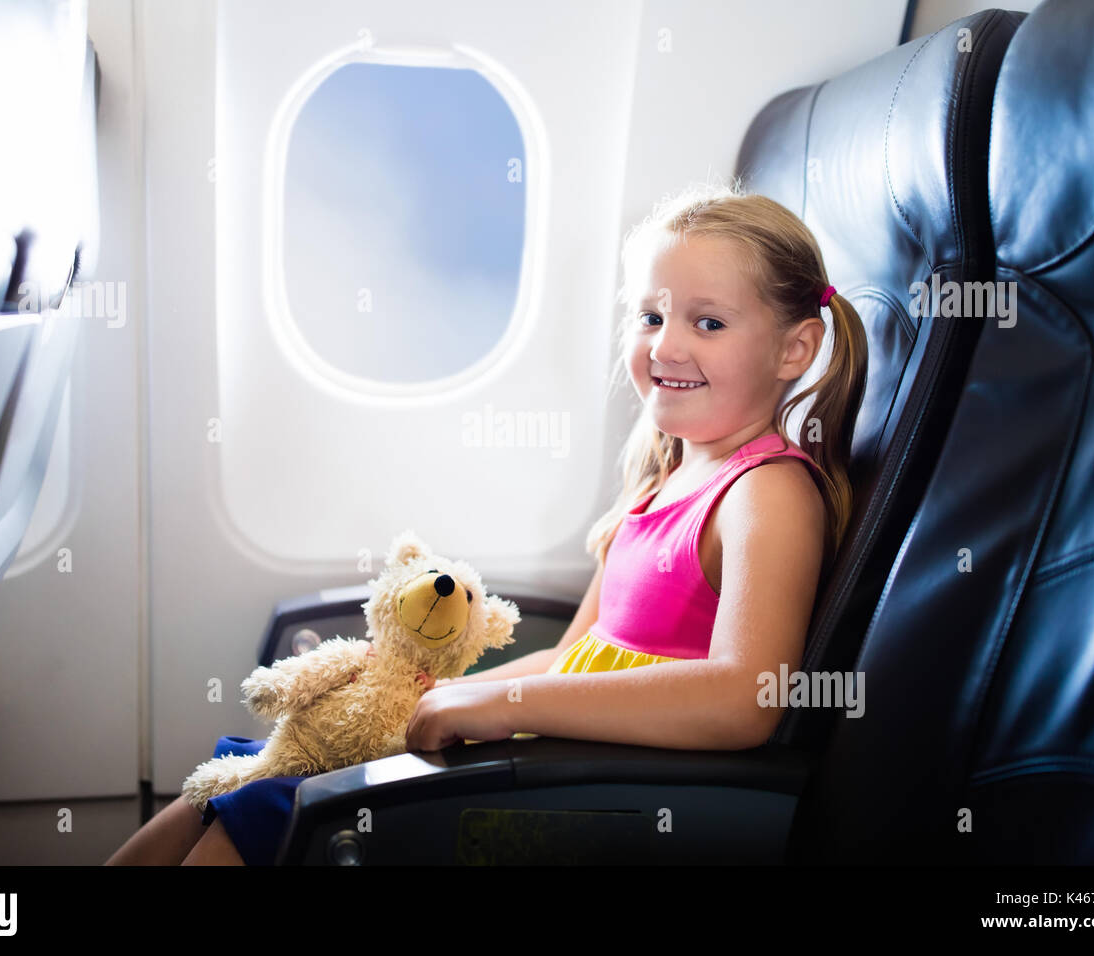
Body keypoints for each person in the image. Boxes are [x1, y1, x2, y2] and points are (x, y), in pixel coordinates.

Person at [107, 180, 867, 865]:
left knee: (275, 812)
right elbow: (578, 657)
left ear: (794, 348)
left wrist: (500, 707)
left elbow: (747, 700)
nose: (665, 344)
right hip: (562, 745)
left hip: (606, 794)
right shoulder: (666, 476)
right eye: (650, 315)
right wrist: (423, 700)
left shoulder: (765, 493)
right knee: (248, 770)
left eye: (707, 322)